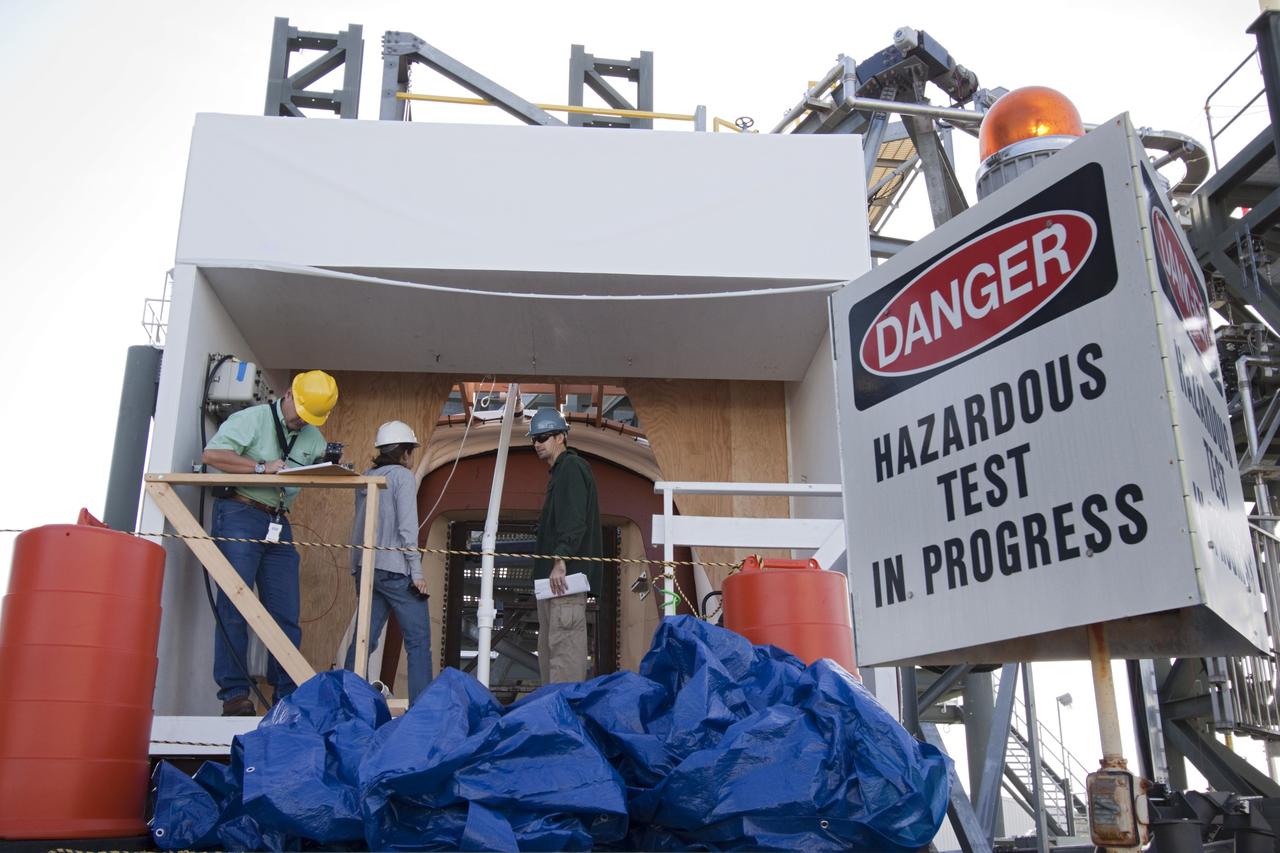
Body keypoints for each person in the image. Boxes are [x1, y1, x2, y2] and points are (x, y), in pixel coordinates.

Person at [201, 369, 339, 716]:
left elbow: (317, 471)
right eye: (301, 415)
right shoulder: (253, 419)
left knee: (285, 612)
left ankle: (286, 696)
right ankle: (234, 695)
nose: (301, 423)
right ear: (290, 394)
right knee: (235, 605)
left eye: (311, 419)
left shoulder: (313, 437)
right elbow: (213, 455)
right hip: (241, 512)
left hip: (278, 519)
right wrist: (261, 469)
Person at [344, 420, 433, 705]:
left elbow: (360, 526)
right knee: (419, 644)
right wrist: (416, 571)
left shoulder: (367, 476)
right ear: (405, 452)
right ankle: (421, 710)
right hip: (396, 571)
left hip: (367, 569)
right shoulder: (403, 477)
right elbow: (408, 527)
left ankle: (345, 700)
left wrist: (357, 567)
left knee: (363, 640)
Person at [529, 409, 602, 684]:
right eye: (534, 438)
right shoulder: (562, 472)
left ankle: (563, 720)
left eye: (543, 436)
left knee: (564, 659)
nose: (537, 443)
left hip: (563, 582)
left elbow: (573, 519)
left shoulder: (571, 467)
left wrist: (560, 560)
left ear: (561, 437)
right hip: (556, 585)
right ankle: (556, 718)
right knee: (553, 657)